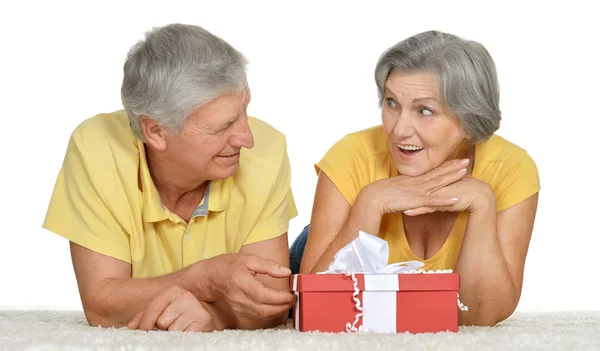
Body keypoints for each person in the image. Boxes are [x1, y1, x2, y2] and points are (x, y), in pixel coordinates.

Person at [43, 23, 298, 332]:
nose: (247, 138)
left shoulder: (267, 150)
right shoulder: (96, 147)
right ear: (156, 131)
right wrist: (204, 280)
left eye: (245, 110)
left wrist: (215, 318)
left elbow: (272, 301)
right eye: (224, 125)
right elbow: (100, 305)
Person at [291, 30, 540, 326]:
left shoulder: (511, 169)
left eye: (424, 110)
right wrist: (370, 203)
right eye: (391, 103)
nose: (398, 131)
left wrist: (483, 204)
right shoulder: (351, 155)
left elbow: (479, 317)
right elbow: (315, 305)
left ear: (469, 122)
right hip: (314, 252)